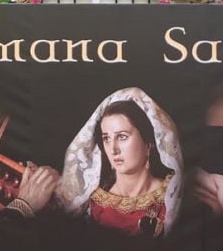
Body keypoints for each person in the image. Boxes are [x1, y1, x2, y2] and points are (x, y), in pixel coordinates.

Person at [60, 88, 183, 236]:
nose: (113, 149)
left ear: (148, 144)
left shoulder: (173, 198)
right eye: (107, 138)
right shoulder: (93, 206)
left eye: (122, 137)